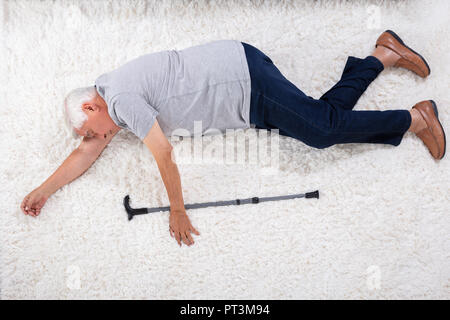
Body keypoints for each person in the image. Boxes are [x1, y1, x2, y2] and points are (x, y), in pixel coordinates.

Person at [20, 30, 446, 247]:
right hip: (244, 94)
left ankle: (415, 118)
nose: (99, 140)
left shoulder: (122, 100)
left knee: (320, 131)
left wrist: (178, 211)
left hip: (244, 82)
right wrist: (44, 190)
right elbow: (85, 152)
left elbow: (164, 154)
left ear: (93, 109)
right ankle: (384, 54)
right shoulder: (110, 102)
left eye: (94, 132)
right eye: (93, 137)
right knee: (322, 119)